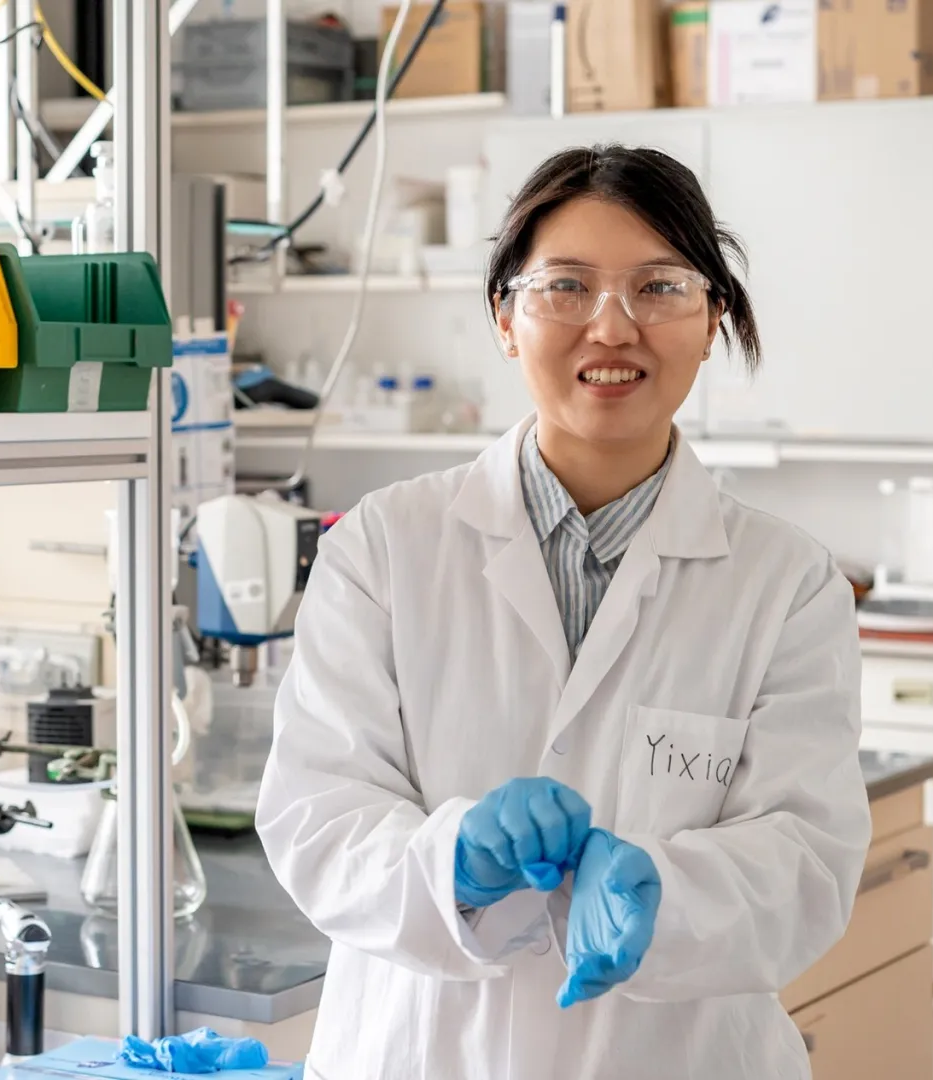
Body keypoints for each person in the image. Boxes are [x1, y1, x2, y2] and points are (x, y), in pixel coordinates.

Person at [255, 145, 871, 1080]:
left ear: (713, 320)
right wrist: (453, 862)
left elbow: (808, 861)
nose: (612, 328)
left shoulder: (788, 584)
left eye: (659, 287)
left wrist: (670, 895)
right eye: (567, 287)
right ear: (505, 319)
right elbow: (317, 817)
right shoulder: (381, 549)